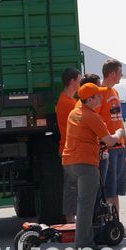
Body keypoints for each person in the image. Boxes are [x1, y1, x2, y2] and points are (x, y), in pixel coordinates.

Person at [62, 83, 124, 250]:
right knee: (86, 205)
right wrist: (119, 132)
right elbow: (110, 141)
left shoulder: (74, 113)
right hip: (85, 163)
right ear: (89, 99)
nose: (101, 98)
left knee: (84, 202)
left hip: (70, 162)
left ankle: (89, 237)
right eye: (97, 96)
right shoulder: (91, 116)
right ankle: (83, 244)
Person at [98, 59, 126, 238]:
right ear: (112, 73)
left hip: (119, 147)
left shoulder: (114, 91)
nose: (121, 76)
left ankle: (116, 224)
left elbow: (118, 121)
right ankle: (110, 225)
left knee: (117, 189)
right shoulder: (99, 93)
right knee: (109, 190)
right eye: (120, 72)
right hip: (109, 148)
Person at [57, 67, 81, 223]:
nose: (80, 84)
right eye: (79, 80)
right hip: (71, 150)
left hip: (67, 149)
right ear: (72, 81)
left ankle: (71, 219)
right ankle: (71, 221)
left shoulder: (63, 100)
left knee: (72, 187)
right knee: (72, 188)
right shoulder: (70, 103)